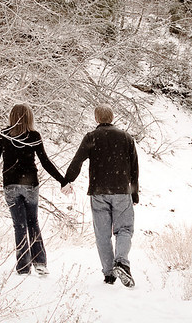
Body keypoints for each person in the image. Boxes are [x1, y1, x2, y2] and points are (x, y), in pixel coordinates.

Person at [0, 104, 70, 275]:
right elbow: (45, 162)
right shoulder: (34, 136)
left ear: (12, 117)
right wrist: (63, 181)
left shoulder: (3, 134)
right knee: (32, 222)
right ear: (29, 117)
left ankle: (23, 266)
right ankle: (40, 263)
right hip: (30, 184)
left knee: (19, 225)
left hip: (10, 185)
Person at [63, 104, 139, 287]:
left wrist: (67, 180)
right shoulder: (126, 137)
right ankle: (121, 262)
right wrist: (134, 193)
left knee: (102, 234)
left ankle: (109, 274)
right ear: (112, 118)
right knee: (124, 229)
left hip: (98, 192)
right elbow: (134, 167)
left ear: (96, 119)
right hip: (121, 191)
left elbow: (77, 161)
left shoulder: (91, 137)